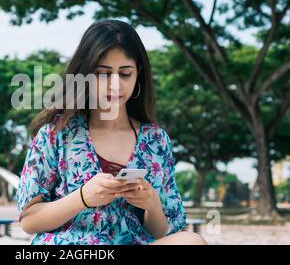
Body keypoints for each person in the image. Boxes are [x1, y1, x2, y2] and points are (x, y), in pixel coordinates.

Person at [17, 19, 207, 245]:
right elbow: (29, 221)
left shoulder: (156, 140)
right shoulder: (56, 134)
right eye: (103, 73)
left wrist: (151, 204)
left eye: (125, 74)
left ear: (138, 77)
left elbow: (162, 233)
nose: (115, 84)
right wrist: (82, 198)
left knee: (191, 241)